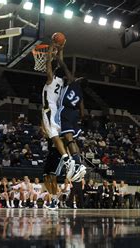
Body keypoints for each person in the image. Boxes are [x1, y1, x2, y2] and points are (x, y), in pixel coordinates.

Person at [42, 40, 73, 179]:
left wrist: (50, 49)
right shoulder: (62, 82)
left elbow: (48, 63)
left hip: (49, 109)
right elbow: (60, 63)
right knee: (58, 136)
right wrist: (61, 49)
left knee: (53, 136)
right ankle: (68, 157)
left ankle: (66, 158)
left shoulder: (51, 79)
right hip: (57, 112)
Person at [56, 46, 87, 180]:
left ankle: (77, 162)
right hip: (74, 114)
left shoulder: (73, 82)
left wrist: (60, 52)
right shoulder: (80, 95)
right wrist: (78, 119)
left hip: (66, 110)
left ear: (79, 80)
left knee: (68, 138)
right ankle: (78, 162)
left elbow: (63, 65)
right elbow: (82, 112)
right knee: (71, 139)